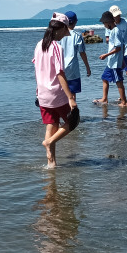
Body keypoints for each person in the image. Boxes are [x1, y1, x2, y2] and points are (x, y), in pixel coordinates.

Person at [34, 14, 79, 168]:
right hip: (56, 94)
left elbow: (37, 69)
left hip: (42, 94)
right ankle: (49, 142)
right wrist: (71, 98)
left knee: (51, 125)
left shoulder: (39, 45)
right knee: (73, 121)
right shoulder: (56, 47)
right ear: (62, 29)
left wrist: (38, 90)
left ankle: (51, 163)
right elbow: (60, 74)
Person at [94, 10, 127, 106]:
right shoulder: (113, 31)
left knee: (119, 81)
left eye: (104, 23)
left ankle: (124, 102)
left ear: (109, 22)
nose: (104, 25)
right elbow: (122, 46)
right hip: (112, 62)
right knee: (104, 78)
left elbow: (118, 48)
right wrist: (123, 59)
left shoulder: (115, 31)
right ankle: (104, 98)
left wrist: (106, 55)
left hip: (115, 62)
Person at [56, 10, 91, 98]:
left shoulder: (58, 35)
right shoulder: (77, 35)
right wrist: (87, 67)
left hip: (60, 67)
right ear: (75, 22)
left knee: (61, 93)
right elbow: (82, 53)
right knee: (72, 94)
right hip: (72, 68)